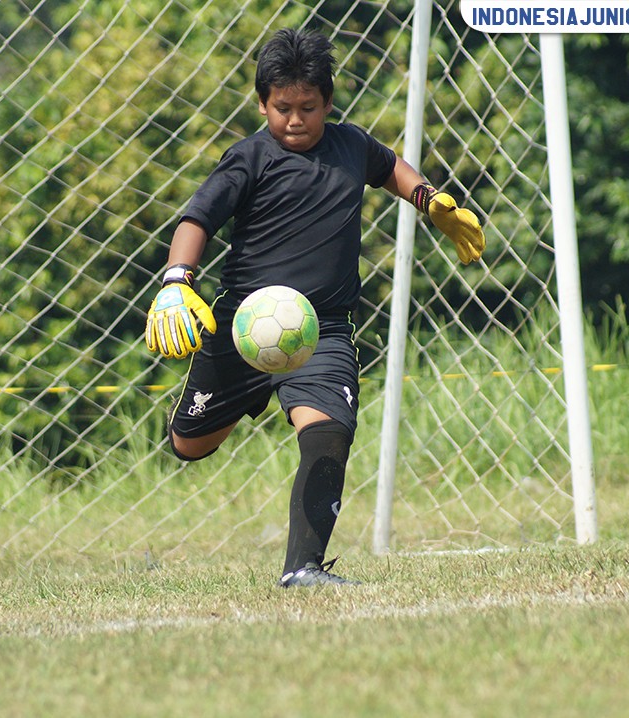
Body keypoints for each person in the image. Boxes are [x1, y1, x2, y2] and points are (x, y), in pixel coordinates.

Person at [144, 28, 484, 587]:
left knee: (328, 430)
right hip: (240, 325)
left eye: (308, 107)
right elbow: (196, 218)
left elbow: (390, 165)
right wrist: (177, 281)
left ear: (328, 102)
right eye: (282, 108)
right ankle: (224, 405)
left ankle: (303, 569)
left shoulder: (350, 145)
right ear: (262, 104)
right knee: (190, 445)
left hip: (321, 330)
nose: (295, 119)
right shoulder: (249, 158)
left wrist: (430, 200)